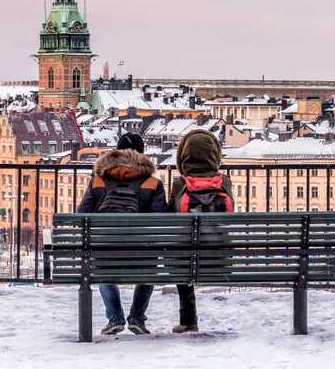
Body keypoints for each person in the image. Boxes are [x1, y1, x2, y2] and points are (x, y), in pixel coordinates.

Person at [76, 133, 167, 335]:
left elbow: (81, 215)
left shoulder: (99, 181)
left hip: (105, 251)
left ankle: (115, 317)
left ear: (115, 153)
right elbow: (160, 220)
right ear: (142, 155)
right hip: (141, 253)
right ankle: (137, 318)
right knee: (149, 271)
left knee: (99, 270)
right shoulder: (152, 183)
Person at [168, 129, 235, 334]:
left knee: (181, 261)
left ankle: (188, 320)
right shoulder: (223, 182)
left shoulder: (180, 183)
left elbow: (171, 217)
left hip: (186, 258)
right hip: (220, 256)